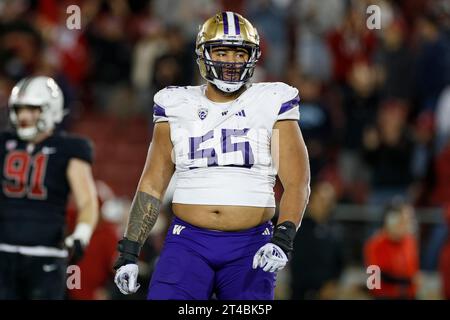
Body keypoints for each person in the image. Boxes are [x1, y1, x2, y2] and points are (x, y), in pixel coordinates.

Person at [114, 12, 311, 300]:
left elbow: (297, 182)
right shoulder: (176, 103)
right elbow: (152, 184)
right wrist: (130, 251)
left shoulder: (272, 100)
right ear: (203, 55)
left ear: (252, 57)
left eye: (239, 53)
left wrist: (284, 240)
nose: (231, 62)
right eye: (221, 51)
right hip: (188, 242)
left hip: (251, 243)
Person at [0, 76, 99, 299]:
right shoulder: (4, 143)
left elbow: (87, 200)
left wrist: (81, 234)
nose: (24, 116)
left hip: (45, 254)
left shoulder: (70, 147)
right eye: (20, 109)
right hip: (3, 251)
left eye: (32, 109)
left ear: (50, 109)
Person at [364, 201, 419, 299]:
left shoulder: (410, 242)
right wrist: (405, 280)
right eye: (404, 220)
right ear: (391, 221)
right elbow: (374, 281)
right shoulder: (375, 244)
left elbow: (413, 275)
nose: (409, 225)